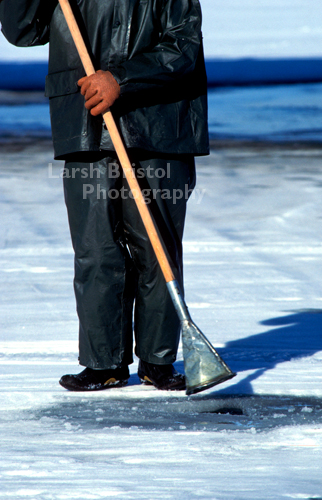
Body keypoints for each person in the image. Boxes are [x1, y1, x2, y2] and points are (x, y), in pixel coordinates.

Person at [0, 0, 209, 391]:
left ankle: (158, 360)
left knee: (157, 247)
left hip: (157, 125)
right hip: (84, 124)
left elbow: (184, 45)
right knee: (96, 249)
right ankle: (104, 363)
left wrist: (121, 80)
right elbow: (23, 30)